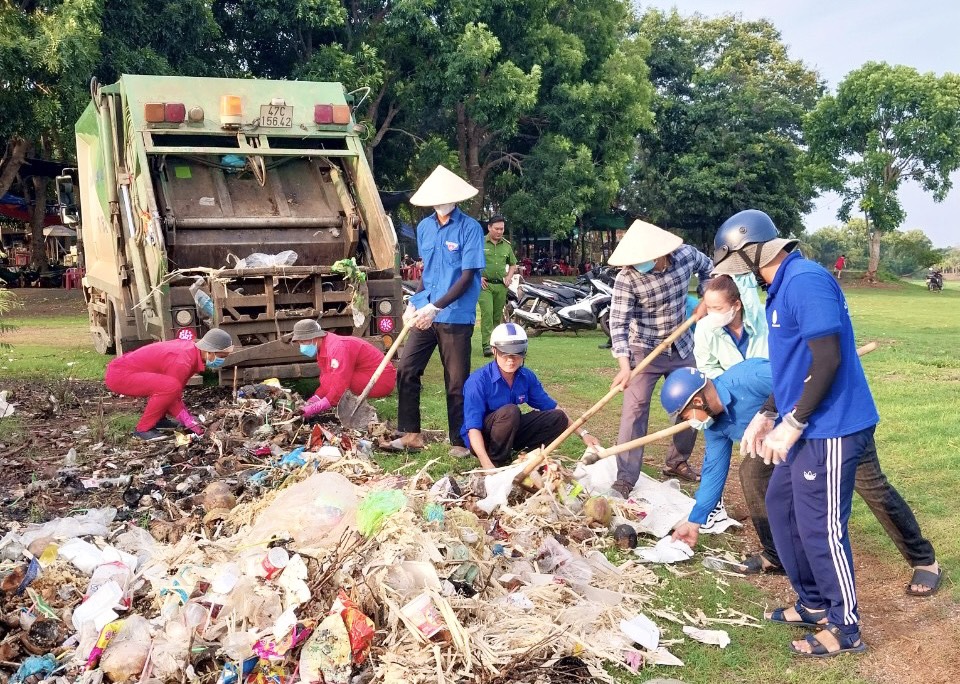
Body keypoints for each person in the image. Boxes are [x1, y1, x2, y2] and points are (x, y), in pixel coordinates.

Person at [712, 208, 940, 657]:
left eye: (739, 264)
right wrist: (769, 412)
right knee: (781, 504)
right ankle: (814, 602)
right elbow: (791, 364)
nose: (738, 275)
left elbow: (828, 359)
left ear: (755, 251)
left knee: (821, 526)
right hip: (806, 421)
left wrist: (794, 422)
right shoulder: (779, 288)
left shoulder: (806, 280)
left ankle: (845, 626)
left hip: (831, 425)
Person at [664, 361, 939, 588]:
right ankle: (776, 555)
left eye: (686, 415)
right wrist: (695, 521)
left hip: (838, 422)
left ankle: (923, 559)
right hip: (784, 442)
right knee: (751, 473)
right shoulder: (715, 425)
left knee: (871, 486)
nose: (689, 423)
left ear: (698, 400)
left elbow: (807, 377)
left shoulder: (751, 377)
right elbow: (713, 471)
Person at [607, 220, 713, 495]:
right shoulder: (627, 278)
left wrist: (706, 298)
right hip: (644, 349)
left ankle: (677, 462)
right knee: (634, 411)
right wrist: (624, 365)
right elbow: (618, 324)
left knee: (696, 404)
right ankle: (625, 478)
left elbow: (710, 270)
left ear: (658, 253)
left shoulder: (686, 256)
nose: (635, 264)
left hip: (682, 345)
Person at [393, 165, 485, 457]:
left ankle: (459, 442)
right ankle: (411, 434)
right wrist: (416, 300)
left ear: (455, 198)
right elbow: (428, 270)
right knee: (406, 368)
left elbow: (467, 276)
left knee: (456, 381)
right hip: (426, 312)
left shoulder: (469, 228)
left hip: (456, 315)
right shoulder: (424, 227)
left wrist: (437, 306)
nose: (440, 201)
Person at [462, 323, 600, 468]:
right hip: (483, 438)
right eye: (505, 353)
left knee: (558, 417)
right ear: (494, 351)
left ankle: (523, 457)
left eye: (517, 354)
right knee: (510, 411)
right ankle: (497, 461)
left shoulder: (526, 376)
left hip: (510, 432)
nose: (511, 359)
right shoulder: (477, 381)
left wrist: (583, 434)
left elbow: (553, 407)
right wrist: (485, 462)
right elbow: (473, 428)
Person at [104, 328, 235, 441]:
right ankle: (142, 429)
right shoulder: (182, 361)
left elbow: (174, 394)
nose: (222, 360)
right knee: (169, 387)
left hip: (124, 371)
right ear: (210, 351)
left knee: (170, 387)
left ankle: (159, 420)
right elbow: (171, 392)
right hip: (120, 375)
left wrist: (187, 418)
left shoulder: (191, 354)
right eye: (222, 356)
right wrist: (188, 421)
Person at [290, 319, 396, 419]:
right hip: (366, 374)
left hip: (381, 379)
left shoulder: (337, 348)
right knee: (330, 378)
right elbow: (326, 378)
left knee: (339, 381)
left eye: (303, 342)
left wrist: (323, 404)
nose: (301, 347)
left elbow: (340, 383)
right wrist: (316, 398)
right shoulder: (323, 346)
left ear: (315, 337)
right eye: (299, 343)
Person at [479, 215, 518, 357]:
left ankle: (495, 343)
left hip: (501, 286)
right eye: (497, 229)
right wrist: (477, 276)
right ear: (489, 228)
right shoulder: (480, 243)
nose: (500, 231)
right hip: (485, 286)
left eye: (502, 229)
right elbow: (470, 260)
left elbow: (513, 264)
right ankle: (486, 346)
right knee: (487, 313)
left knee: (496, 316)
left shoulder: (506, 246)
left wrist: (509, 277)